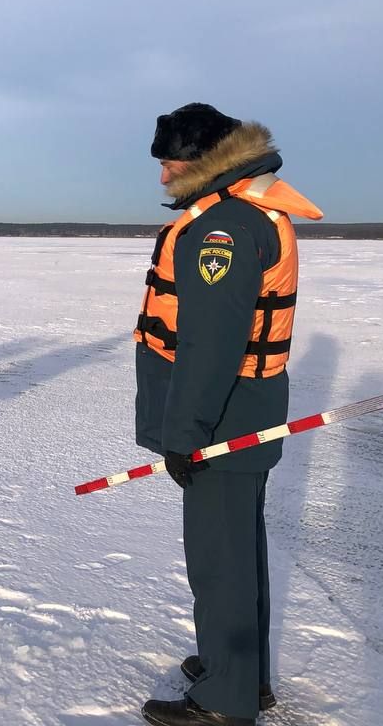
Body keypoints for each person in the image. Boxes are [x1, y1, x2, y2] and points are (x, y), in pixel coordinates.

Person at [133, 104, 322, 726]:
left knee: (219, 561)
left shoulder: (226, 229)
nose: (163, 178)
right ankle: (240, 673)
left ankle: (224, 701)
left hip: (221, 421)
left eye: (169, 163)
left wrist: (183, 433)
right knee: (237, 552)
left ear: (204, 159)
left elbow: (211, 344)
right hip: (242, 415)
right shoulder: (238, 214)